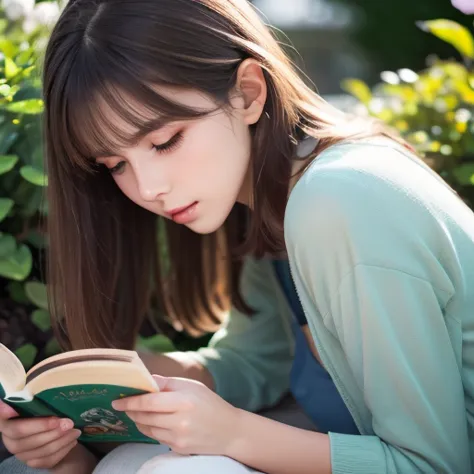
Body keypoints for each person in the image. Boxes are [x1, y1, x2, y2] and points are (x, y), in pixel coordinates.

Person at [0, 0, 473, 472]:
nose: (147, 188)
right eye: (115, 165)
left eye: (165, 141)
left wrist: (234, 433)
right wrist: (101, 394)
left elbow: (435, 464)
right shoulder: (269, 197)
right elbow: (255, 366)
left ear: (248, 93)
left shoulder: (340, 199)